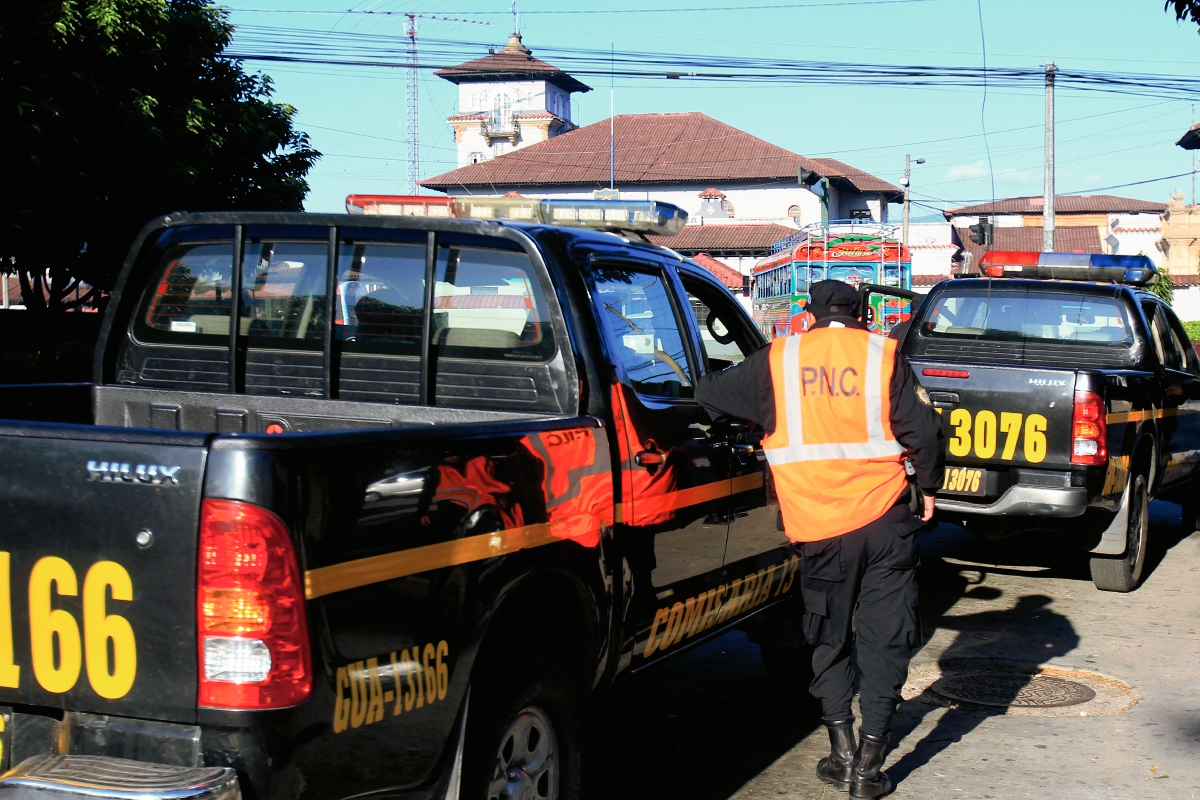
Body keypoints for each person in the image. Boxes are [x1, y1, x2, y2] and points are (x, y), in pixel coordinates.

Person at [696, 280, 944, 799]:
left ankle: (841, 750)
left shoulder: (780, 358)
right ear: (864, 315)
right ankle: (871, 766)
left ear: (809, 314)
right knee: (885, 636)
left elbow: (708, 394)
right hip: (885, 517)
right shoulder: (883, 353)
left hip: (821, 528)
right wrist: (927, 486)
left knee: (828, 637)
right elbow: (924, 430)